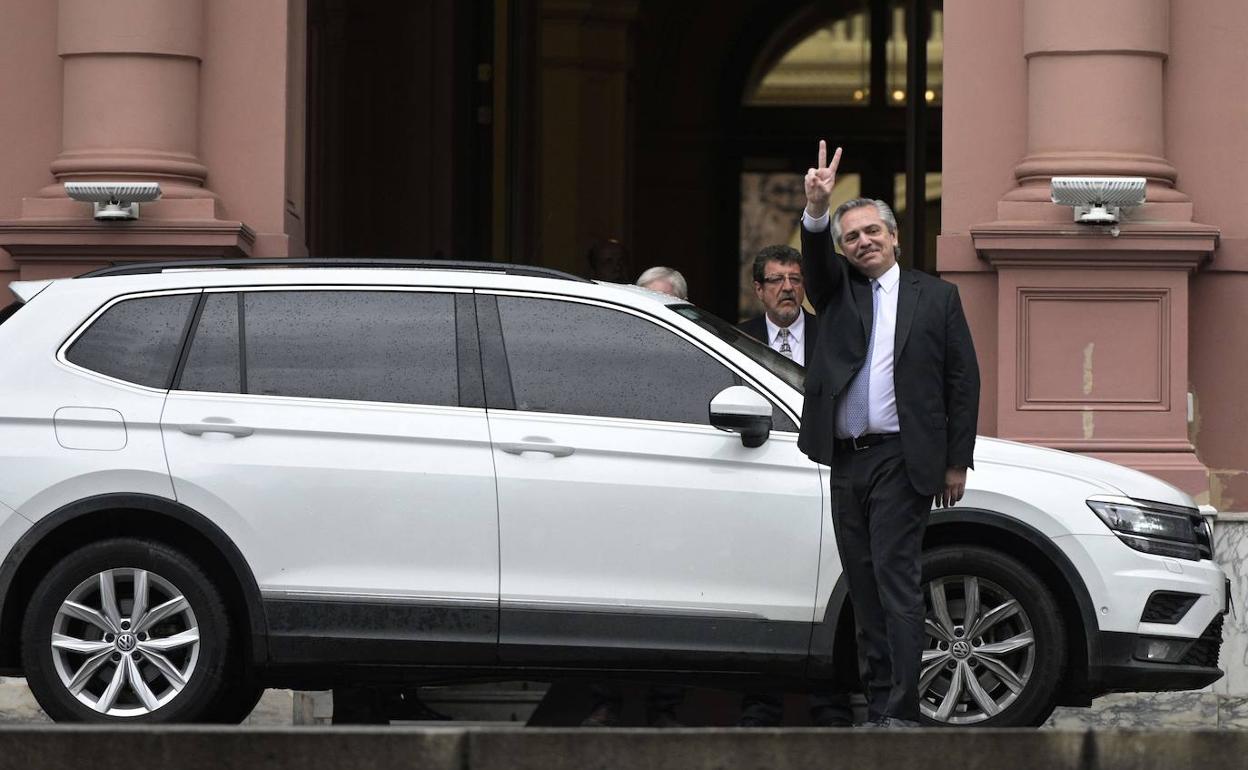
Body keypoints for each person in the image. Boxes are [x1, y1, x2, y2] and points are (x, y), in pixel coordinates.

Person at [799, 140, 980, 728]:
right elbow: (818, 258)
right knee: (864, 587)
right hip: (846, 461)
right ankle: (878, 706)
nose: (862, 242)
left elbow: (961, 382)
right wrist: (818, 210)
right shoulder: (836, 291)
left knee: (897, 582)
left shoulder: (938, 297)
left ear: (895, 236)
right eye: (851, 237)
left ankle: (902, 709)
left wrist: (957, 464)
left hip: (904, 459)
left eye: (872, 232)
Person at [737, 245, 815, 365]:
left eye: (794, 279)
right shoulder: (740, 338)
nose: (788, 288)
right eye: (777, 279)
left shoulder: (827, 334)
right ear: (759, 290)